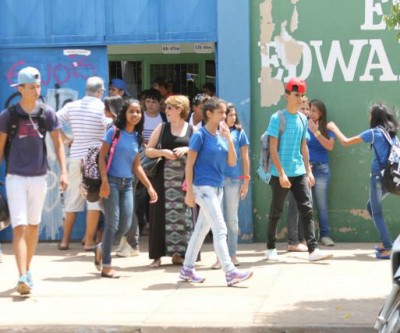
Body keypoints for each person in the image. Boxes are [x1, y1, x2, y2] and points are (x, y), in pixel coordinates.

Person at [0, 66, 68, 295]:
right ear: (20, 89)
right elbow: (0, 149)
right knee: (19, 226)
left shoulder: (46, 113)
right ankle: (21, 275)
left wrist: (64, 172)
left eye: (38, 86)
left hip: (39, 177)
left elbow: (58, 143)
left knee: (33, 226)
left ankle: (27, 270)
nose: (37, 90)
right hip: (15, 177)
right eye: (32, 87)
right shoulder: (9, 115)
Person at [179, 98, 253, 286]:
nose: (224, 116)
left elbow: (232, 162)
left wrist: (228, 138)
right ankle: (230, 272)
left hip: (217, 188)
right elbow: (189, 165)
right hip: (203, 188)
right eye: (220, 112)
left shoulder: (222, 136)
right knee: (220, 229)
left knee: (201, 230)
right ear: (210, 114)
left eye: (225, 113)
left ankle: (187, 269)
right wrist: (189, 191)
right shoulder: (199, 135)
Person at [264, 77, 332, 262]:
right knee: (276, 211)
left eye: (301, 94)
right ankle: (270, 247)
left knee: (307, 209)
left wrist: (308, 171)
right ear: (287, 96)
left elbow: (304, 147)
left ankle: (312, 250)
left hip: (299, 171)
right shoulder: (277, 118)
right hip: (280, 174)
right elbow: (272, 148)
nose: (300, 98)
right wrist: (282, 173)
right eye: (296, 94)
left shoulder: (303, 118)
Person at [95, 99, 157, 277]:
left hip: (128, 184)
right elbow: (102, 157)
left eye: (138, 112)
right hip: (111, 183)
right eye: (132, 111)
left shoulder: (137, 137)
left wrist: (149, 186)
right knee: (112, 223)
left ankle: (101, 248)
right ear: (124, 113)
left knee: (125, 225)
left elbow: (136, 166)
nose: (135, 115)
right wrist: (105, 182)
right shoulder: (114, 132)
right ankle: (106, 266)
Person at [329, 103, 398, 259]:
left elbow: (346, 142)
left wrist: (334, 128)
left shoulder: (374, 133)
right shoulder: (391, 134)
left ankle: (388, 247)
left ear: (374, 117)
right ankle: (385, 241)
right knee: (370, 207)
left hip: (378, 178)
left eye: (370, 114)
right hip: (389, 177)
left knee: (376, 212)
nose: (368, 116)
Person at [57, 76, 110, 251]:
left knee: (72, 200)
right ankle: (89, 242)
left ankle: (65, 241)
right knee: (93, 201)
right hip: (94, 160)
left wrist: (65, 139)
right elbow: (110, 125)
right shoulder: (102, 108)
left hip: (75, 157)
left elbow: (54, 120)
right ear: (100, 91)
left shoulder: (72, 106)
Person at [116, 89, 166, 257]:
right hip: (133, 164)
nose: (150, 105)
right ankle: (130, 236)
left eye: (154, 102)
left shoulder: (163, 120)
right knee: (133, 202)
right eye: (148, 101)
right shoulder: (132, 124)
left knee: (140, 198)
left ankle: (132, 239)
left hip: (151, 164)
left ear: (160, 104)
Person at [145, 95, 194, 267]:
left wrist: (187, 148)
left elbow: (200, 151)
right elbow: (148, 151)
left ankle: (179, 254)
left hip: (184, 179)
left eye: (169, 108)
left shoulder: (191, 129)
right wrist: (163, 152)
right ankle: (157, 256)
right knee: (158, 215)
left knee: (184, 216)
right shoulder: (162, 127)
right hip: (162, 180)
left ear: (179, 110)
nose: (165, 111)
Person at [212, 102, 250, 269]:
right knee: (217, 220)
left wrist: (246, 181)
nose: (233, 118)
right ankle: (219, 257)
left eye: (234, 115)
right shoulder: (213, 132)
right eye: (230, 115)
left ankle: (232, 254)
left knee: (232, 219)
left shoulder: (239, 133)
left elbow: (245, 157)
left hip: (234, 180)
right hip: (216, 180)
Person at [286, 95, 310, 252]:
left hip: (302, 170)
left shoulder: (304, 123)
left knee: (304, 206)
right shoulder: (289, 121)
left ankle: (301, 239)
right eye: (303, 108)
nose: (306, 111)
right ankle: (293, 241)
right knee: (294, 207)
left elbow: (305, 149)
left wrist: (308, 171)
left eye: (307, 108)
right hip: (291, 171)